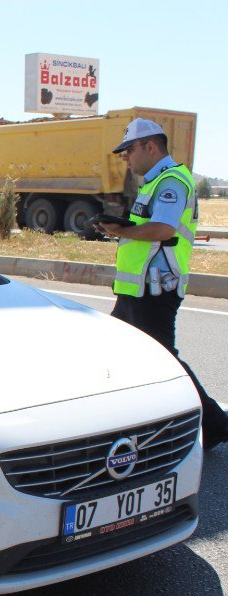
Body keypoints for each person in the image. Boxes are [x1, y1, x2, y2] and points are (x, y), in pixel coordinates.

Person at [100, 118, 228, 451]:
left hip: (155, 289)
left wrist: (121, 231)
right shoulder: (153, 182)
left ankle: (214, 424)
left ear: (150, 146)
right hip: (137, 289)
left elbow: (162, 230)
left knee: (164, 361)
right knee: (118, 355)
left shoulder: (171, 181)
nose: (125, 157)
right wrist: (122, 227)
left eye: (128, 150)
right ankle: (137, 423)